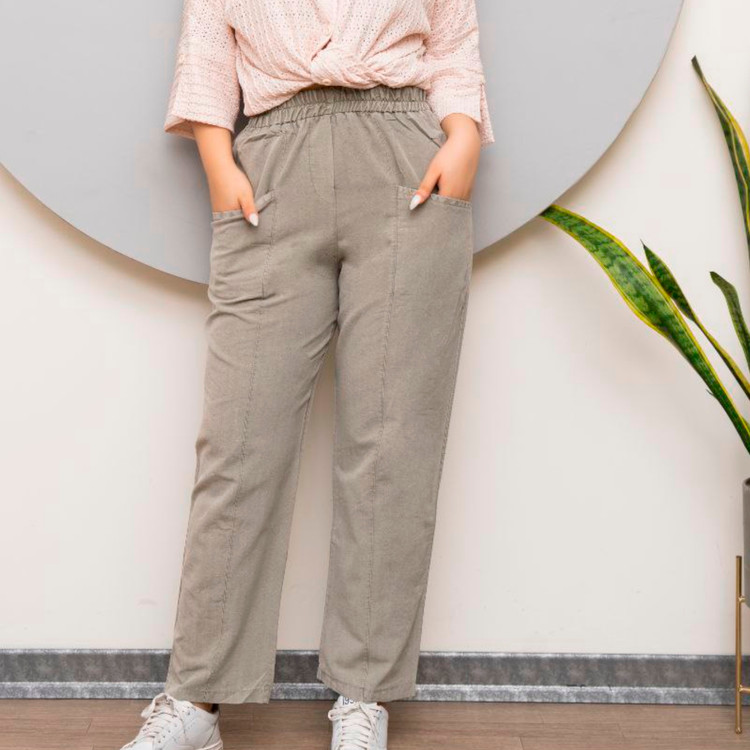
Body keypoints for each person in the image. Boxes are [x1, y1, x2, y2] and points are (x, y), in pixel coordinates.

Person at [121, 1, 493, 748]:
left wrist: (463, 137)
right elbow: (207, 51)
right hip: (270, 165)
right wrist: (219, 164)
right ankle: (197, 700)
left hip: (407, 163)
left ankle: (365, 697)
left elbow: (453, 39)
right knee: (239, 446)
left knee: (392, 447)